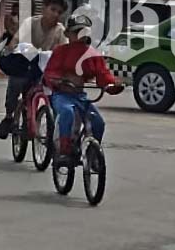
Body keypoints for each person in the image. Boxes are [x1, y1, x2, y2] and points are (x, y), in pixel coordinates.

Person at [43, 15, 122, 165]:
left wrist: (112, 85)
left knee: (98, 122)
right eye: (76, 32)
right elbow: (50, 73)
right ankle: (64, 150)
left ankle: (92, 156)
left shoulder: (93, 54)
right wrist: (57, 80)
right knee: (67, 112)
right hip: (62, 95)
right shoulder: (61, 51)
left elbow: (103, 74)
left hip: (80, 97)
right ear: (68, 34)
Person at [0, 0, 68, 139]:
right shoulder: (30, 23)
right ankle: (9, 116)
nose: (55, 14)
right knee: (16, 83)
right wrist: (17, 48)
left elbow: (65, 50)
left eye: (59, 12)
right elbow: (15, 42)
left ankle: (54, 126)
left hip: (46, 69)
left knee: (56, 93)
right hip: (25, 65)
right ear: (44, 8)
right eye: (53, 9)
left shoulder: (60, 30)